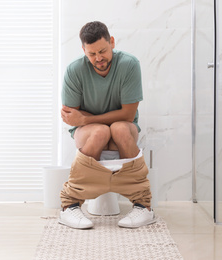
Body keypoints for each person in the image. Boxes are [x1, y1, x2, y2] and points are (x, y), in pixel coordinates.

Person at [59, 21, 155, 229]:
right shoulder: (74, 70)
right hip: (90, 134)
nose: (98, 58)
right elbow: (70, 115)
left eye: (102, 51)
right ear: (83, 50)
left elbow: (128, 115)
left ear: (112, 42)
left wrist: (85, 119)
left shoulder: (129, 64)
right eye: (91, 54)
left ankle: (143, 206)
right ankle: (70, 206)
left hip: (122, 128)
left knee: (119, 128)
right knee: (101, 132)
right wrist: (87, 123)